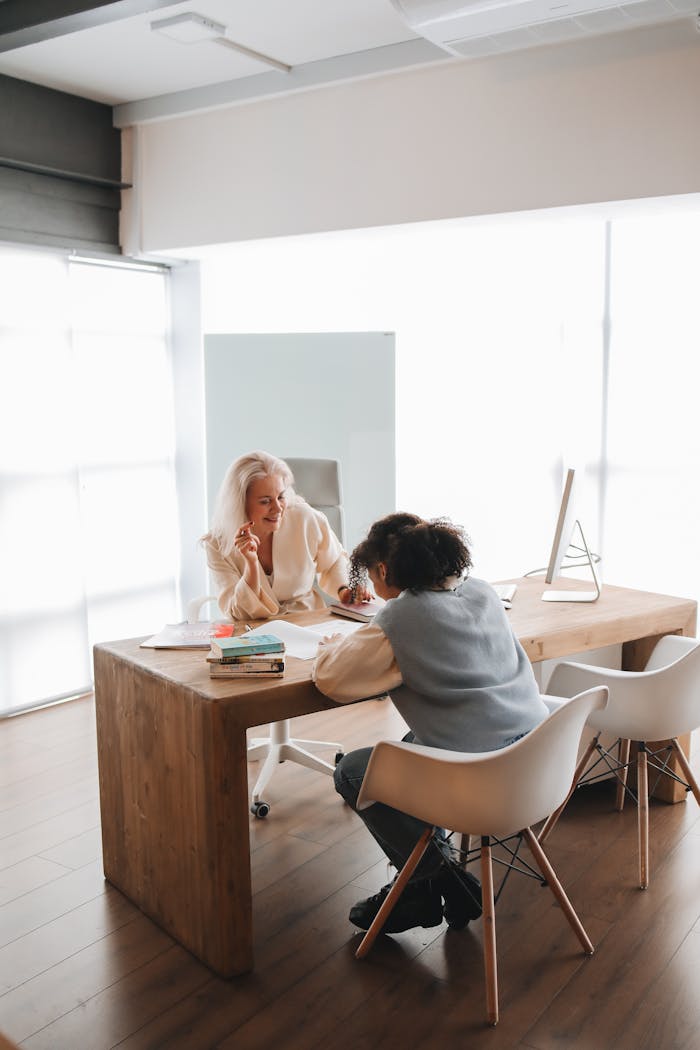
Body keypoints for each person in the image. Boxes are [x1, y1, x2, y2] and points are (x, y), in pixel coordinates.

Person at [313, 512, 549, 935]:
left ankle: (433, 882)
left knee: (351, 772)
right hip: (532, 764)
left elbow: (333, 680)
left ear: (383, 571)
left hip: (478, 780)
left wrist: (332, 646)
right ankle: (421, 887)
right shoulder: (482, 593)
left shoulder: (400, 620)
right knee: (408, 741)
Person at [202, 450, 367, 621]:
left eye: (280, 496)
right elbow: (237, 611)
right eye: (265, 501)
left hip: (307, 621)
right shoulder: (217, 544)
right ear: (240, 503)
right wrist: (251, 564)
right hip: (253, 631)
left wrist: (344, 590)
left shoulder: (305, 518)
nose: (278, 508)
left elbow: (333, 561)